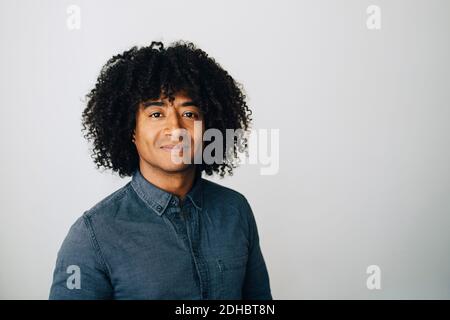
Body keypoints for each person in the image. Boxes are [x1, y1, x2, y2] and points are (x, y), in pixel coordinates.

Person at [49, 41, 272, 300]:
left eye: (189, 113)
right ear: (131, 130)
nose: (176, 127)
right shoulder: (92, 236)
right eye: (156, 114)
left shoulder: (235, 211)